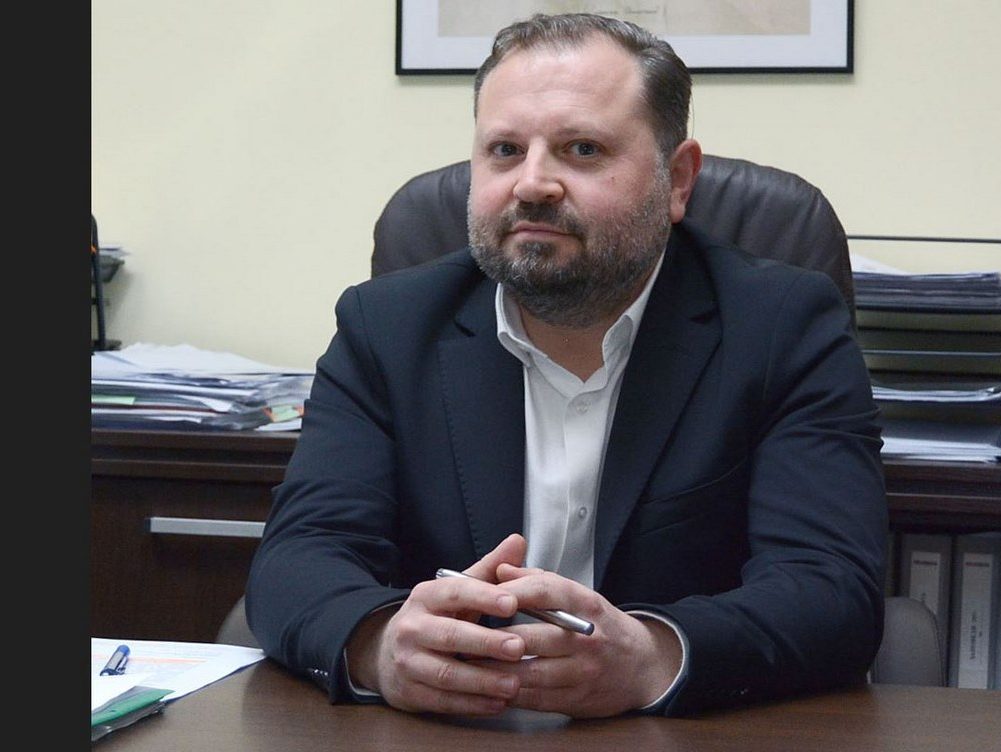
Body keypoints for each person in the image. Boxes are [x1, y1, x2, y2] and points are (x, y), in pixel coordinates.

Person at [246, 12, 887, 719]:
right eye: (504, 150)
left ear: (677, 180)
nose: (533, 184)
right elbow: (299, 558)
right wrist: (379, 642)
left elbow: (830, 587)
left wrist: (652, 657)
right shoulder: (386, 328)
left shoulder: (783, 328)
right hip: (451, 730)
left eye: (582, 149)